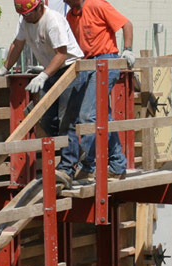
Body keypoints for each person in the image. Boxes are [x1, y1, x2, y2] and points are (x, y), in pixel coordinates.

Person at [0, 0, 127, 184]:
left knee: (70, 119)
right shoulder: (26, 20)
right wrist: (5, 68)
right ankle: (77, 150)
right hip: (54, 70)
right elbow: (18, 43)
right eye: (24, 15)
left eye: (29, 14)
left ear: (39, 7)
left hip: (71, 69)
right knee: (46, 117)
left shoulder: (53, 20)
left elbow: (62, 54)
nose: (27, 18)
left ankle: (68, 167)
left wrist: (44, 75)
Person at [64, 0, 133, 182]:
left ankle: (87, 165)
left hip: (106, 60)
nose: (65, 3)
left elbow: (126, 24)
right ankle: (117, 165)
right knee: (102, 116)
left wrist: (128, 50)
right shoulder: (70, 16)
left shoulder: (96, 5)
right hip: (87, 63)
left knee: (88, 115)